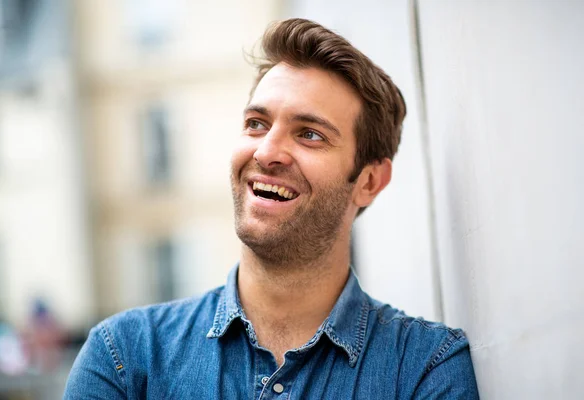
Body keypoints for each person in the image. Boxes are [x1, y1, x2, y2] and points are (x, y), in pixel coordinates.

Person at [64, 18, 479, 399]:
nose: (266, 152)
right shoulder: (124, 357)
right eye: (257, 124)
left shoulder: (426, 367)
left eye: (310, 134)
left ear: (369, 181)